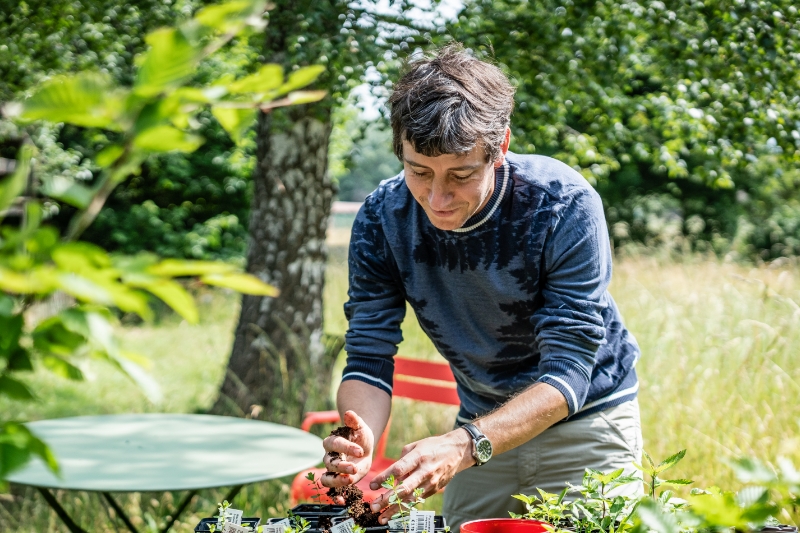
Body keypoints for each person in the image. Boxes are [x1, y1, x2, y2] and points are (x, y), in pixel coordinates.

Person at [320, 45, 643, 530]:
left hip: (585, 426)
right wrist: (361, 436)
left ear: (501, 146)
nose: (437, 198)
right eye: (418, 172)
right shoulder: (382, 217)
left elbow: (571, 370)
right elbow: (368, 354)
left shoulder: (563, 205)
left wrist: (463, 445)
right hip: (477, 424)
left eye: (461, 174)